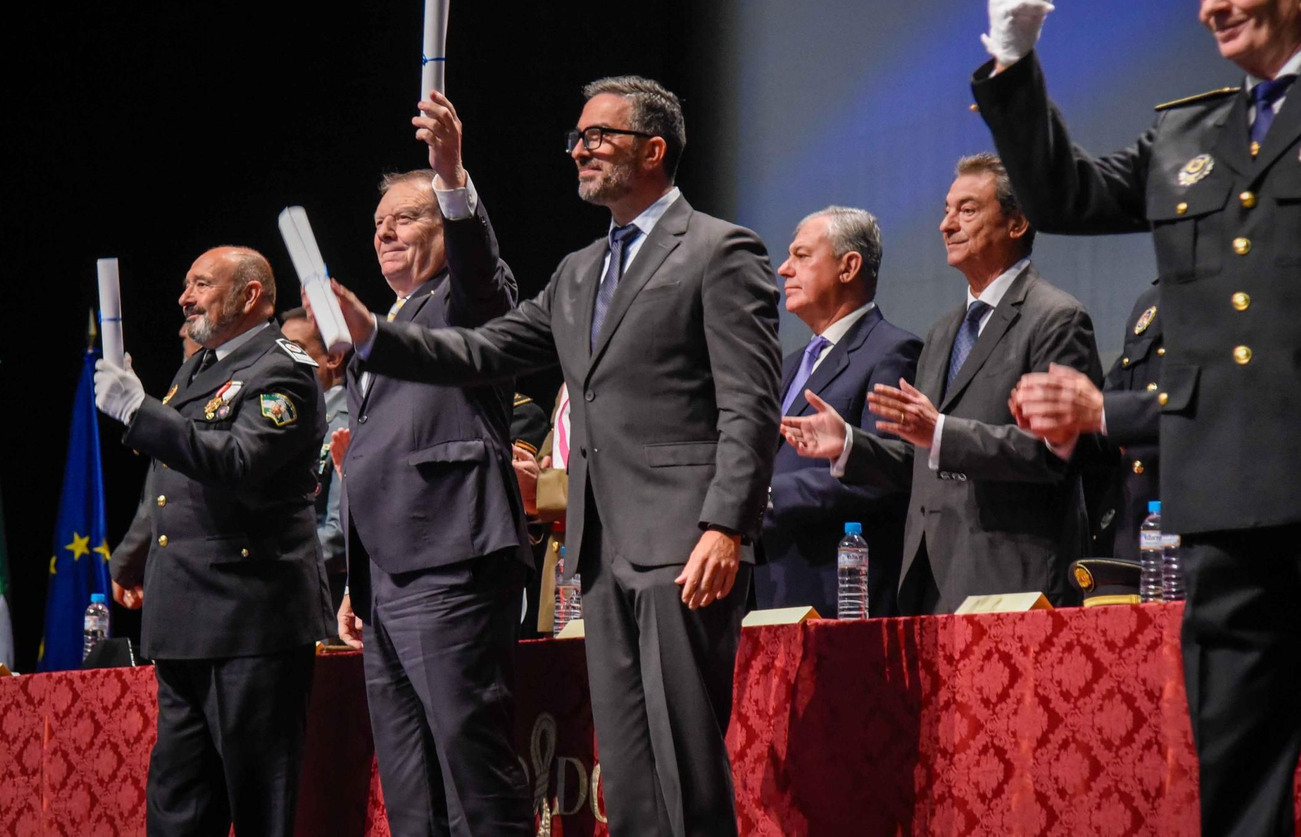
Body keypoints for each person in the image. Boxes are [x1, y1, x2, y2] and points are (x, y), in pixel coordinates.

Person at [969, 0, 1301, 833]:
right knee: (1238, 780)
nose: (1212, 4)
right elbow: (1064, 194)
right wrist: (1013, 63)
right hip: (1225, 499)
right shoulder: (1188, 135)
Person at [322, 75, 782, 837]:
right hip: (599, 556)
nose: (581, 149)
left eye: (599, 136)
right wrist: (376, 334)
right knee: (630, 781)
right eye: (576, 139)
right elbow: (481, 347)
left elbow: (750, 404)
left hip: (683, 545)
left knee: (686, 767)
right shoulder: (578, 273)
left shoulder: (718, 250)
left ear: (655, 149)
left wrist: (726, 526)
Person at [317, 90, 533, 836]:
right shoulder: (379, 331)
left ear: (444, 229)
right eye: (378, 226)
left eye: (404, 219)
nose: (385, 235)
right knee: (410, 788)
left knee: (472, 769)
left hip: (454, 562)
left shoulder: (468, 303)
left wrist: (451, 176)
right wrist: (357, 577)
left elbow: (483, 269)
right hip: (384, 582)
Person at [780, 154, 1101, 615]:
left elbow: (1055, 457)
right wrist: (848, 444)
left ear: (1018, 222)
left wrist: (942, 433)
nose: (946, 225)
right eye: (947, 210)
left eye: (967, 210)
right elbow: (919, 462)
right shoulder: (943, 331)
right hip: (931, 583)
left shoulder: (1056, 318)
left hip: (1016, 582)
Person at [94, 246, 330, 837]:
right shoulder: (200, 366)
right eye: (186, 283)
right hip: (186, 618)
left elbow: (238, 460)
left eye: (201, 284)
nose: (185, 296)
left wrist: (139, 409)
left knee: (258, 807)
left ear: (249, 296)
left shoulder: (284, 368)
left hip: (251, 619)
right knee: (178, 807)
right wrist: (134, 555)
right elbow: (172, 476)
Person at [753, 206, 921, 617]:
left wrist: (770, 497)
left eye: (802, 255)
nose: (783, 269)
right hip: (771, 586)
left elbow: (887, 472)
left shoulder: (893, 352)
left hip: (839, 592)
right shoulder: (787, 365)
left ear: (848, 267)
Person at [1012, 282, 1164, 560]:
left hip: (1205, 534)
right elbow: (1107, 422)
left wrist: (1100, 411)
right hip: (1136, 539)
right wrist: (1060, 428)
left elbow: (1214, 406)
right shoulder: (1152, 300)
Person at [110, 323, 203, 611]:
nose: (181, 332)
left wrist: (123, 565)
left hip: (197, 576)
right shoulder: (188, 384)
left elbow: (164, 491)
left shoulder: (202, 392)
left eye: (190, 322)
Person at [278, 307, 350, 603]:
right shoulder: (288, 419)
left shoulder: (346, 424)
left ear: (332, 358)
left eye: (296, 349)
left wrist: (275, 561)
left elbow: (341, 530)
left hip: (326, 592)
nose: (283, 361)